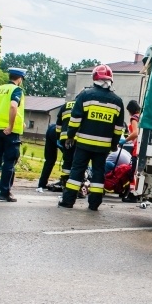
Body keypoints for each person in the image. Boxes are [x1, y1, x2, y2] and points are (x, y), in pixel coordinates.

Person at [59, 64, 124, 211]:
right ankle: (94, 204)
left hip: (83, 144)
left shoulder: (85, 95)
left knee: (77, 171)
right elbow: (118, 128)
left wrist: (70, 136)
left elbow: (75, 119)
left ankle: (68, 200)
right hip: (103, 147)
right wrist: (114, 144)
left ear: (95, 78)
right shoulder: (117, 102)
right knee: (98, 174)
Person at [0, 67, 26, 202]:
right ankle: (5, 192)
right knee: (9, 162)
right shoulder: (16, 90)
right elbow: (13, 106)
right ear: (20, 79)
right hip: (10, 132)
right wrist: (11, 126)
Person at [120, 99, 142, 202]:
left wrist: (125, 140)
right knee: (138, 172)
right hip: (141, 148)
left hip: (136, 148)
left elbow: (135, 133)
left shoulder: (134, 118)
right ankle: (133, 194)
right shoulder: (142, 117)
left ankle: (132, 195)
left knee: (133, 172)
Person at [54, 98, 76, 190]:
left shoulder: (66, 105)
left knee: (67, 160)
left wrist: (58, 137)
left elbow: (59, 123)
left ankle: (64, 181)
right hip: (77, 138)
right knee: (77, 162)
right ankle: (75, 182)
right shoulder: (84, 104)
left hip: (64, 137)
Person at [37, 122, 59, 192]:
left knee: (50, 160)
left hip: (52, 128)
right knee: (69, 160)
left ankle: (42, 183)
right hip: (63, 132)